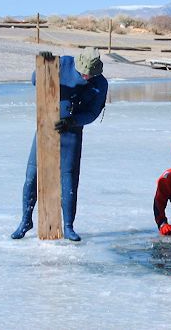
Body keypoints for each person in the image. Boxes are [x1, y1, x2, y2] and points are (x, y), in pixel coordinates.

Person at [11, 47, 108, 241]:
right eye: (83, 73)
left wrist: (73, 121)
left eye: (90, 74)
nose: (86, 76)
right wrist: (44, 67)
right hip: (46, 128)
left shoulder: (101, 83)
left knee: (69, 179)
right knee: (32, 175)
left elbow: (93, 112)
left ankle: (68, 225)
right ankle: (26, 220)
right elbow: (35, 82)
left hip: (71, 133)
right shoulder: (63, 63)